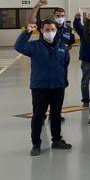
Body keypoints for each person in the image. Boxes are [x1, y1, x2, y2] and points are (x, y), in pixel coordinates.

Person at [15, 21, 73, 156]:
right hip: (40, 87)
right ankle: (36, 143)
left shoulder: (62, 47)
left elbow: (65, 64)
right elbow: (18, 46)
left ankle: (57, 140)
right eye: (47, 29)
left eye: (52, 29)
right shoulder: (34, 46)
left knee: (56, 115)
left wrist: (63, 81)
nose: (50, 32)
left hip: (58, 87)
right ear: (41, 31)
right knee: (38, 116)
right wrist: (27, 32)